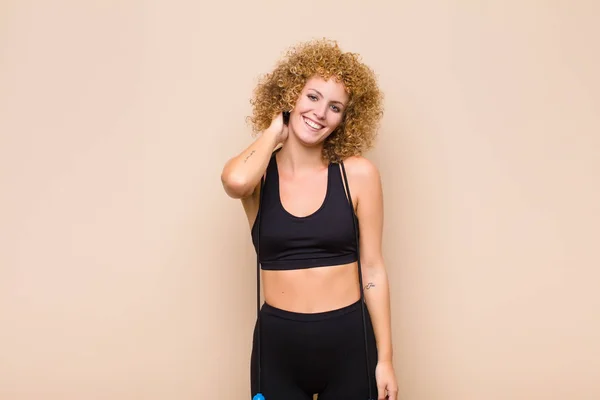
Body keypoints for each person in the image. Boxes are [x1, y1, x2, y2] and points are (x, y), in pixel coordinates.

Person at [221, 38, 398, 400]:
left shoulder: (358, 174)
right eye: (312, 97)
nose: (320, 113)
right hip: (278, 348)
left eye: (335, 106)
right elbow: (235, 182)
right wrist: (274, 132)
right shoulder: (258, 177)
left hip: (350, 343)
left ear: (346, 118)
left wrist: (386, 360)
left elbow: (373, 269)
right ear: (289, 96)